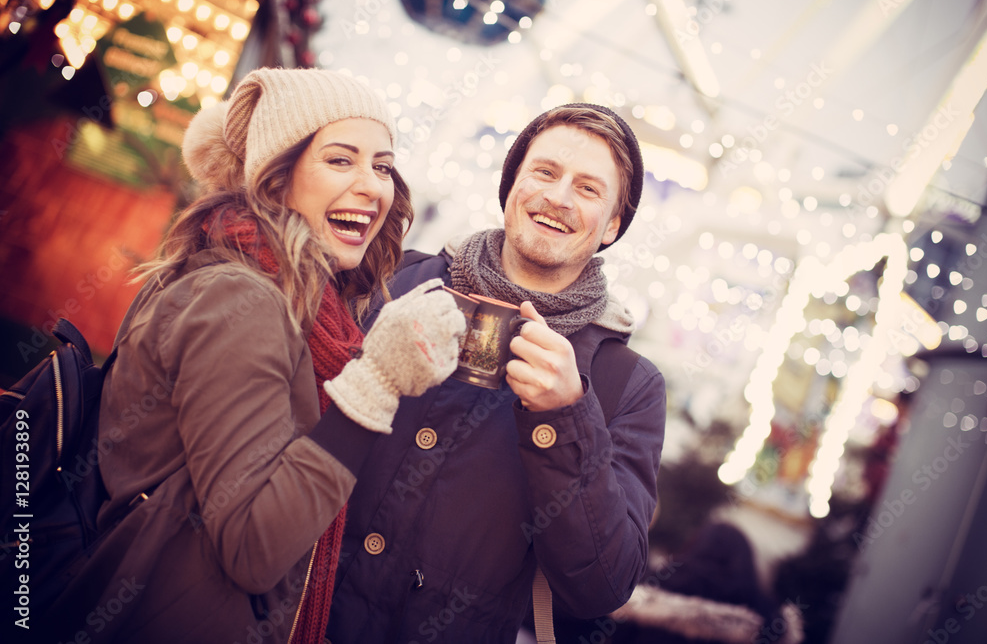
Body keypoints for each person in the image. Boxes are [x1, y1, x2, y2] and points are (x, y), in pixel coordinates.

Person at [41, 68, 466, 644]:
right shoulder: (240, 298)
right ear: (275, 178)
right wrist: (377, 384)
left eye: (383, 165)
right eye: (341, 160)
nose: (373, 186)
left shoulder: (292, 303)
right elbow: (252, 547)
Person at [326, 103, 668, 642]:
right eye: (546, 172)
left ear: (612, 227)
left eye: (588, 189)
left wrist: (567, 417)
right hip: (295, 617)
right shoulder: (391, 276)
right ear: (511, 185)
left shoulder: (625, 384)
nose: (558, 197)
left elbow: (602, 586)